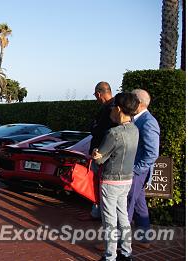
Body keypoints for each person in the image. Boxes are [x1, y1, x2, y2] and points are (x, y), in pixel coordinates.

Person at [91, 92, 140, 261]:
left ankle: (110, 256)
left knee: (109, 220)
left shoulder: (113, 133)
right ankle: (127, 253)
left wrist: (96, 153)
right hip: (127, 179)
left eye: (112, 109)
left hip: (110, 180)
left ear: (118, 109)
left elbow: (99, 159)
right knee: (123, 217)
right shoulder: (135, 129)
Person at [80, 81, 117, 222]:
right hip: (101, 153)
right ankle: (97, 212)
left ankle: (101, 215)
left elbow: (100, 130)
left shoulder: (110, 108)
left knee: (100, 185)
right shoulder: (110, 107)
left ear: (99, 93)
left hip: (102, 155)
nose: (96, 98)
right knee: (98, 184)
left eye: (96, 95)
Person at [128, 89, 160, 248]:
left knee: (126, 207)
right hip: (137, 172)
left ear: (139, 103)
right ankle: (145, 238)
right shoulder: (137, 119)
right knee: (140, 206)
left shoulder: (148, 122)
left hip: (137, 172)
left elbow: (152, 153)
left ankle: (118, 243)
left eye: (130, 99)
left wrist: (135, 170)